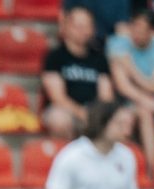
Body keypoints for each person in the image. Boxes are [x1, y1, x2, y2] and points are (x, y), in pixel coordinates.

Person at [107, 7, 154, 176]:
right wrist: (144, 98)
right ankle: (149, 171)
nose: (136, 35)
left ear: (153, 32)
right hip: (126, 102)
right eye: (134, 29)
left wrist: (132, 69)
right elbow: (123, 86)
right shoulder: (117, 44)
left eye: (142, 31)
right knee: (141, 113)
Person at [42, 6, 116, 139]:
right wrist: (82, 113)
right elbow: (58, 97)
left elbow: (106, 96)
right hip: (65, 110)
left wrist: (95, 115)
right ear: (66, 27)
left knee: (119, 120)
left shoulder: (100, 59)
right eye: (79, 26)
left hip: (93, 112)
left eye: (87, 26)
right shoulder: (55, 57)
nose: (84, 31)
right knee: (59, 119)